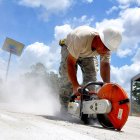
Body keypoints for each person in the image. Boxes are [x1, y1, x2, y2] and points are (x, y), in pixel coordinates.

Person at [59, 26, 122, 111]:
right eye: (105, 47)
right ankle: (64, 107)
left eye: (108, 49)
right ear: (99, 38)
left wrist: (107, 86)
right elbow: (70, 63)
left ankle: (86, 109)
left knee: (91, 79)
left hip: (88, 54)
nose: (106, 51)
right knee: (67, 78)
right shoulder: (81, 38)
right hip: (70, 48)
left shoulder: (106, 48)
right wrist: (75, 86)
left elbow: (105, 66)